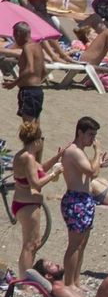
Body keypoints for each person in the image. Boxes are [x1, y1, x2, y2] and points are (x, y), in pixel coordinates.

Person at [58, 116, 108, 288]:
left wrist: (98, 162)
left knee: (82, 244)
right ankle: (69, 283)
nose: (93, 139)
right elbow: (92, 173)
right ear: (80, 132)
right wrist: (97, 152)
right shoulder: (74, 151)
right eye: (90, 135)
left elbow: (92, 171)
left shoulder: (81, 151)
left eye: (94, 135)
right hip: (75, 201)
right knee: (74, 245)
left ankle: (76, 281)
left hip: (85, 200)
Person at [8, 119, 59, 279]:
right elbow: (36, 183)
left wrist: (56, 158)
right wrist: (54, 175)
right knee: (29, 245)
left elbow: (40, 169)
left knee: (34, 243)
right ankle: (25, 281)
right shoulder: (28, 157)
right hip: (27, 204)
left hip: (24, 203)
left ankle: (27, 278)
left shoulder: (25, 155)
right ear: (37, 140)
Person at [1, 20, 46, 123]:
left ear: (19, 34)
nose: (15, 39)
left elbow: (30, 68)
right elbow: (44, 70)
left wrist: (14, 83)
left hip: (28, 91)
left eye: (14, 36)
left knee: (28, 126)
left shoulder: (27, 47)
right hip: (38, 90)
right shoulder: (38, 46)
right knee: (35, 126)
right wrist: (37, 82)